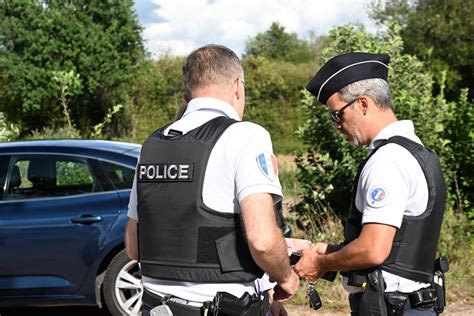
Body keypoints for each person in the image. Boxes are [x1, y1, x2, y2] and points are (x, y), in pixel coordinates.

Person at [125, 44, 299, 316]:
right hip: (219, 308)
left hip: (154, 306)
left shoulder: (151, 145)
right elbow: (263, 240)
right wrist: (287, 276)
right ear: (238, 86)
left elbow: (134, 247)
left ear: (188, 94)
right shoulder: (245, 135)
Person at [294, 52, 447, 315]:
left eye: (337, 115)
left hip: (393, 307)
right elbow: (395, 247)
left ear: (363, 104)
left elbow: (374, 249)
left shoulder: (387, 161)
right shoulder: (416, 151)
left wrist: (322, 263)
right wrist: (334, 250)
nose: (337, 126)